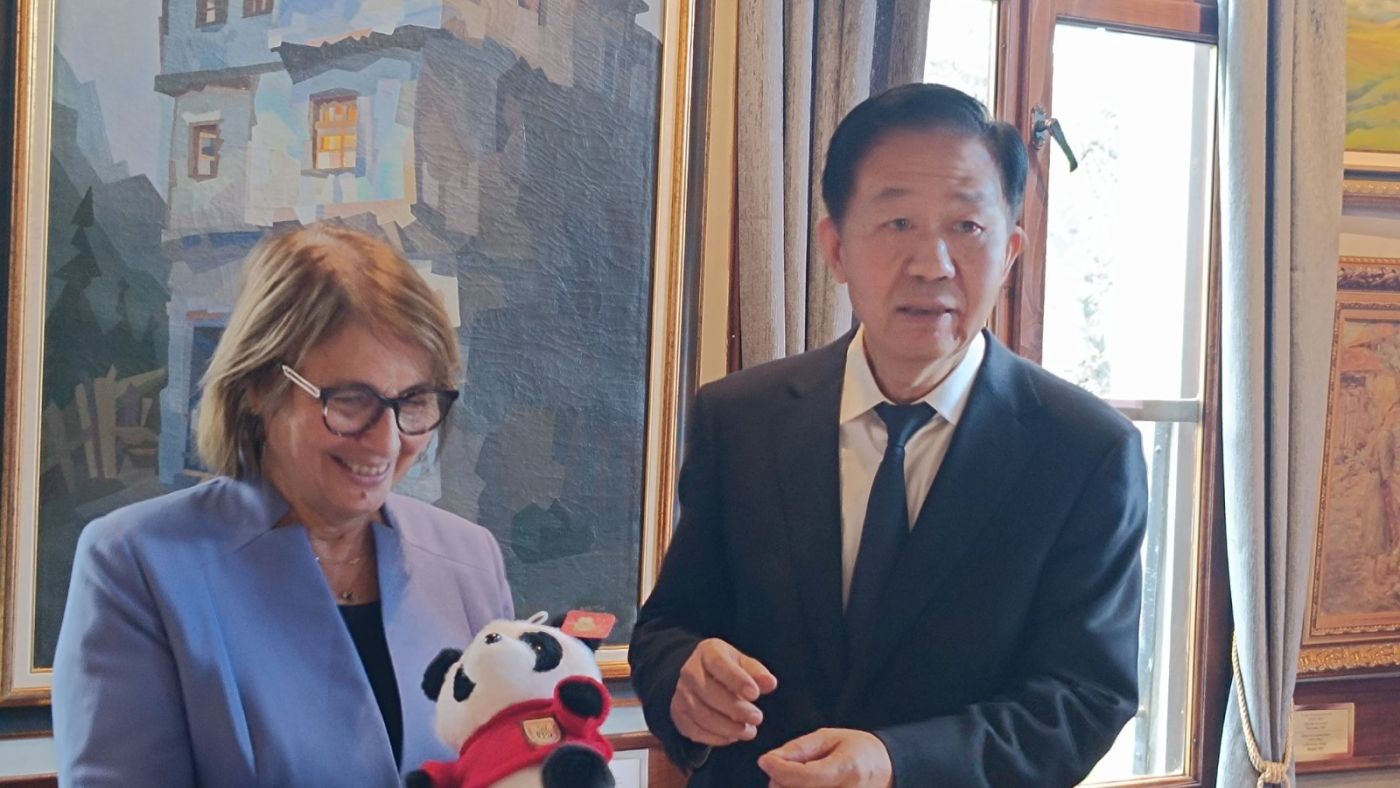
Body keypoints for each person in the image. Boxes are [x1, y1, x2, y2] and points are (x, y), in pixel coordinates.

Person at [629, 83, 1148, 787]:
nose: (932, 263)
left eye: (967, 227)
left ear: (1011, 252)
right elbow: (670, 626)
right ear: (836, 247)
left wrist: (895, 762)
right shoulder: (741, 417)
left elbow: (1081, 700)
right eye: (898, 221)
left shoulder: (1084, 451)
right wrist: (683, 680)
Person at [52, 225, 514, 786]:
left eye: (414, 401)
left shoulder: (470, 558)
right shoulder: (137, 563)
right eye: (351, 401)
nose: (387, 442)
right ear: (259, 385)